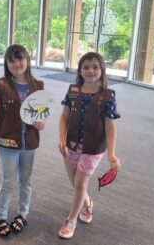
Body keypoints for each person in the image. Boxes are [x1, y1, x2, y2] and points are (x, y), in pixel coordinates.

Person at [57, 52, 121, 239]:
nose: (91, 71)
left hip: (93, 148)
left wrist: (111, 154)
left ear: (102, 70)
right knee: (75, 181)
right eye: (86, 67)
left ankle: (71, 220)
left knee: (80, 182)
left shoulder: (108, 96)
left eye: (95, 67)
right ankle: (87, 202)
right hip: (72, 143)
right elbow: (63, 117)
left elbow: (110, 126)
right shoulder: (73, 91)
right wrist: (62, 138)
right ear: (80, 70)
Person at [0, 44, 45, 237]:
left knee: (25, 180)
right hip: (8, 141)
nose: (16, 63)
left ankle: (22, 213)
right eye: (11, 60)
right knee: (8, 181)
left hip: (29, 141)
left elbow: (41, 116)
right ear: (6, 64)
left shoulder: (38, 86)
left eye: (20, 58)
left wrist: (40, 124)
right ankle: (0, 216)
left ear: (27, 60)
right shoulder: (0, 85)